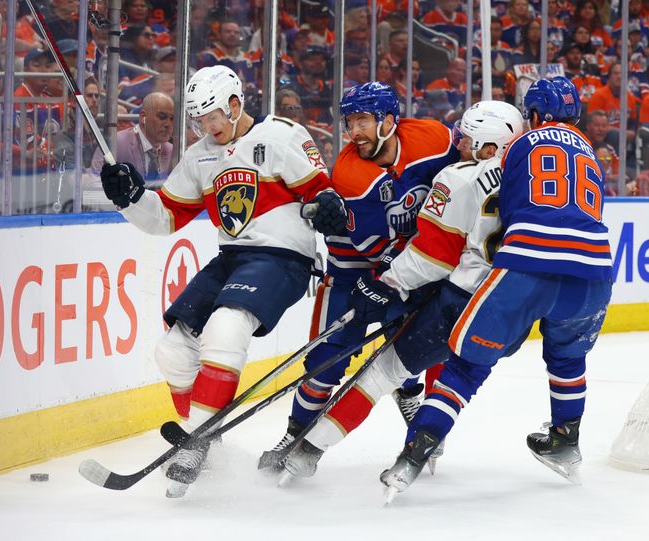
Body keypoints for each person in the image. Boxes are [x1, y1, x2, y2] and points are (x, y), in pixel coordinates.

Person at [98, 65, 345, 497]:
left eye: (211, 116)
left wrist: (327, 205)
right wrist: (130, 198)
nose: (206, 127)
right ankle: (206, 443)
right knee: (172, 351)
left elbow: (323, 192)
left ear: (235, 104)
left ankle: (194, 443)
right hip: (231, 257)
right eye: (197, 120)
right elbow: (166, 218)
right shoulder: (200, 156)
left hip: (283, 257)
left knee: (225, 329)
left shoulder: (283, 136)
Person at [380, 77, 613, 497]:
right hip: (593, 272)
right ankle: (565, 441)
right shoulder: (593, 155)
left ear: (535, 116)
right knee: (567, 360)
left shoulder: (523, 144)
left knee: (468, 365)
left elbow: (503, 209)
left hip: (527, 265)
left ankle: (414, 453)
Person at [280, 100, 526, 482]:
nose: (457, 146)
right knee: (454, 376)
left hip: (454, 293)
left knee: (382, 372)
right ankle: (422, 440)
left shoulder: (458, 178)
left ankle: (308, 450)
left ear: (490, 148)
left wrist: (386, 283)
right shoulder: (530, 181)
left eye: (468, 140)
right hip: (505, 307)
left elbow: (432, 258)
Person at [259, 82, 460, 472]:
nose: (353, 133)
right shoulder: (351, 174)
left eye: (363, 121)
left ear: (389, 120)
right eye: (349, 122)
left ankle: (411, 399)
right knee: (327, 358)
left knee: (416, 345)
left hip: (411, 265)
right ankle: (296, 433)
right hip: (353, 268)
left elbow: (463, 180)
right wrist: (395, 276)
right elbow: (372, 250)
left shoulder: (434, 139)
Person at [92, 92, 174, 189]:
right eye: (162, 117)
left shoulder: (172, 150)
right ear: (143, 117)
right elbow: (94, 183)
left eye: (172, 118)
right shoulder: (115, 143)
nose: (168, 124)